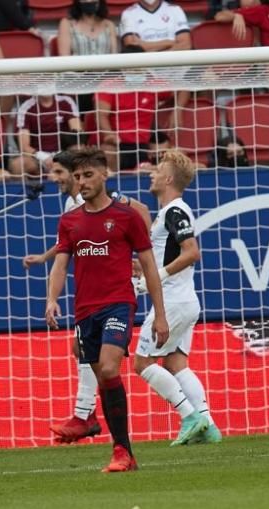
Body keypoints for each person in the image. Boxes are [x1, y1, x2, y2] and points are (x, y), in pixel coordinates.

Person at [45, 148, 170, 472]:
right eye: (77, 177)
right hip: (84, 309)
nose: (81, 182)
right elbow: (60, 266)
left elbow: (149, 266)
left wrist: (159, 314)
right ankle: (124, 452)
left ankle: (120, 450)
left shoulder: (127, 217)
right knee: (103, 377)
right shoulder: (69, 221)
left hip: (118, 303)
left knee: (110, 369)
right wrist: (51, 299)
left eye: (87, 175)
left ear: (105, 175)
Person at [23, 150, 153, 443]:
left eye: (59, 173)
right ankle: (87, 415)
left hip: (116, 293)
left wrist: (138, 250)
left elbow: (142, 212)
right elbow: (69, 245)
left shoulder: (102, 197)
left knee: (106, 364)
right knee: (79, 349)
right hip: (89, 299)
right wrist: (45, 258)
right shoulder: (72, 207)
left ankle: (85, 415)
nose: (54, 178)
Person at [133, 150, 221, 445]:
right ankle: (207, 425)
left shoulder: (175, 211)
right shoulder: (167, 213)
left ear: (169, 178)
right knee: (175, 363)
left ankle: (190, 417)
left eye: (158, 170)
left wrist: (154, 279)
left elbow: (192, 252)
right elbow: (164, 258)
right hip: (184, 300)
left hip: (172, 302)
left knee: (142, 364)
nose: (152, 174)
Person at [96, 46, 175, 172]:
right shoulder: (109, 85)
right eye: (130, 66)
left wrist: (177, 111)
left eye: (137, 66)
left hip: (144, 145)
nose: (134, 70)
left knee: (172, 157)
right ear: (122, 67)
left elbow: (181, 89)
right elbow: (101, 115)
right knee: (107, 152)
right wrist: (109, 134)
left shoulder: (153, 84)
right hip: (117, 144)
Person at [9, 89, 82, 177]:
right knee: (18, 164)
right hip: (38, 157)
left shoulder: (66, 102)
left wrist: (62, 157)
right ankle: (26, 190)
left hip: (64, 154)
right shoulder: (26, 107)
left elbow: (77, 136)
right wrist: (43, 157)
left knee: (80, 151)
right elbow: (24, 146)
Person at [119, 0, 191, 53]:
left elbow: (185, 45)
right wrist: (169, 42)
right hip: (145, 67)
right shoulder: (128, 13)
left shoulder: (175, 10)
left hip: (176, 64)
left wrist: (146, 46)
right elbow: (133, 48)